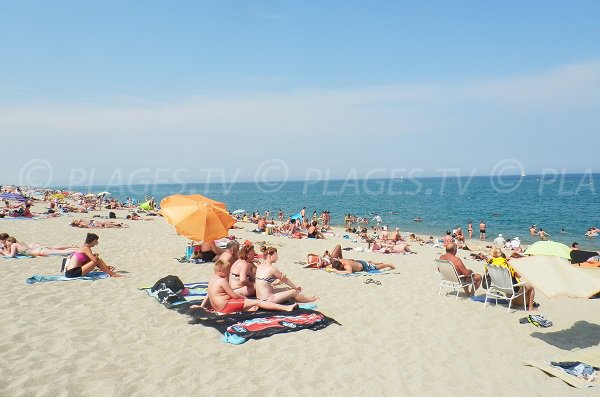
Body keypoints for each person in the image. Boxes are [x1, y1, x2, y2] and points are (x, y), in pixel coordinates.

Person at [201, 259, 298, 313]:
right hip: (225, 306)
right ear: (220, 271)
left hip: (217, 306)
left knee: (249, 303)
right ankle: (286, 308)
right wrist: (243, 298)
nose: (228, 272)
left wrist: (202, 306)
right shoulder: (222, 281)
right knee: (258, 302)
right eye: (226, 270)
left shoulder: (212, 278)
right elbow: (234, 296)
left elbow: (209, 294)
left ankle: (247, 307)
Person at [2, 237, 78, 258]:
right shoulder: (19, 244)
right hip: (40, 249)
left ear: (9, 241)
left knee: (63, 252)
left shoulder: (13, 245)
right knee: (63, 252)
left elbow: (11, 256)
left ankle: (79, 250)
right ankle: (77, 249)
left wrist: (3, 252)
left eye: (6, 242)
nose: (6, 244)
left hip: (40, 251)